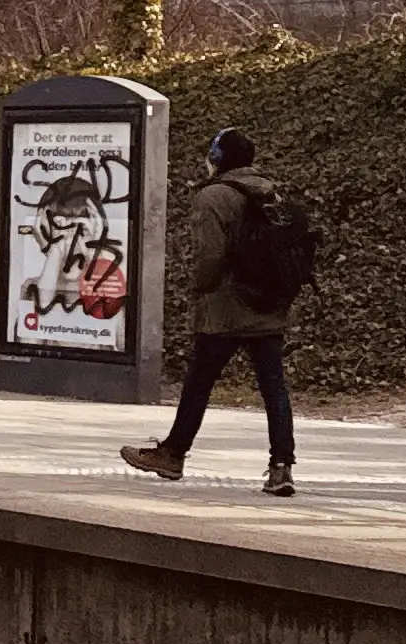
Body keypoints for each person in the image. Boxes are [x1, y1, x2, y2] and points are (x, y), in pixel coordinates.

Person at [122, 127, 306, 498]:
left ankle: (172, 455)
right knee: (274, 387)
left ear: (218, 159)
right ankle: (281, 467)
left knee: (199, 382)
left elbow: (210, 256)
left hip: (225, 308)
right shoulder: (270, 191)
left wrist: (199, 289)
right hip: (268, 306)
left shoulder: (213, 197)